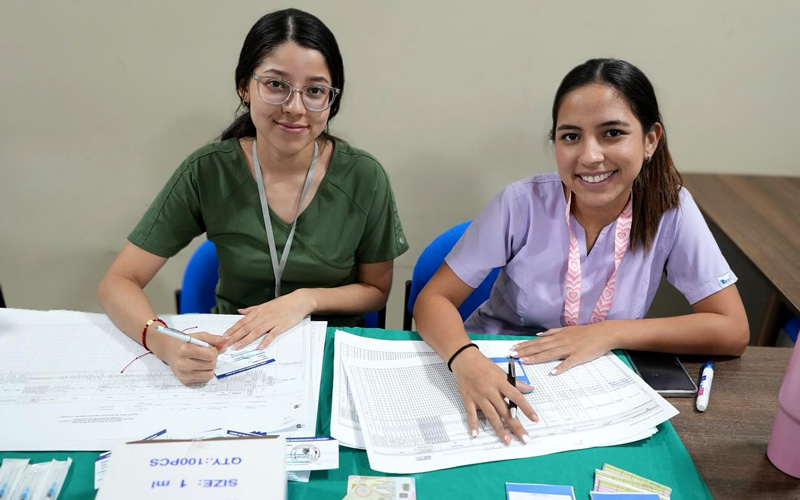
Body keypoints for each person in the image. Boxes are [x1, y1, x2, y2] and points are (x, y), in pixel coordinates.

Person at [414, 58, 749, 446]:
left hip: (595, 380)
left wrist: (608, 333)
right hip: (492, 365)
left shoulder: (670, 208)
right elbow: (433, 299)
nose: (590, 156)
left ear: (650, 139)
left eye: (612, 133)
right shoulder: (521, 203)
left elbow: (731, 328)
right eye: (570, 136)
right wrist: (465, 360)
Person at [97, 8, 408, 385]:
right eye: (276, 85)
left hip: (331, 357)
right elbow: (118, 282)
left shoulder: (364, 176)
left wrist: (305, 299)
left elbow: (376, 291)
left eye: (314, 91)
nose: (295, 108)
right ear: (245, 87)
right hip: (232, 357)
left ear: (331, 99)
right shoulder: (208, 171)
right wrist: (163, 342)